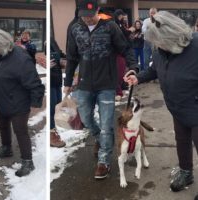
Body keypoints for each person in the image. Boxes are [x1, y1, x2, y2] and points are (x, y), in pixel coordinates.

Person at [124, 11, 198, 195]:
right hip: (177, 108)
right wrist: (138, 78)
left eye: (158, 42)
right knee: (182, 142)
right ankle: (186, 173)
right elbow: (154, 70)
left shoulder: (195, 46)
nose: (156, 46)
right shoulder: (161, 51)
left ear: (171, 35)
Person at [64, 0, 138, 179]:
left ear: (98, 10)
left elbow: (125, 48)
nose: (88, 19)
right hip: (84, 84)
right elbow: (72, 57)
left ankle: (104, 161)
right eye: (84, 16)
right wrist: (67, 81)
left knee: (106, 125)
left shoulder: (110, 26)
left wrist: (133, 67)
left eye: (91, 15)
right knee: (86, 119)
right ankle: (100, 139)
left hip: (106, 84)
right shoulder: (75, 28)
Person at [0, 28, 45, 177]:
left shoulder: (21, 59)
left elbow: (35, 83)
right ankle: (6, 148)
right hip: (1, 100)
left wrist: (35, 102)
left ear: (5, 45)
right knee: (3, 124)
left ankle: (27, 161)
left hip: (18, 103)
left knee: (20, 131)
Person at [50, 37, 66, 148]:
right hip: (50, 79)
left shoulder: (51, 39)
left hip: (57, 78)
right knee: (51, 108)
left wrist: (64, 59)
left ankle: (53, 131)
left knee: (56, 107)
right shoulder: (47, 41)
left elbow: (59, 53)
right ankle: (51, 135)